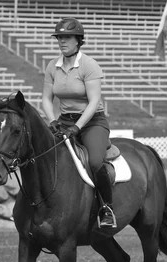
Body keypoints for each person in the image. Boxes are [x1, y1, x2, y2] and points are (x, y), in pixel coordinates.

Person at [41, 17, 116, 228]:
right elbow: (47, 99)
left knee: (94, 162)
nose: (62, 41)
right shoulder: (52, 66)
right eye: (59, 37)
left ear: (78, 40)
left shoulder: (89, 65)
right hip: (64, 122)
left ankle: (106, 208)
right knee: (42, 156)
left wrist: (77, 127)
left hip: (92, 122)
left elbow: (94, 102)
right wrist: (53, 121)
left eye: (67, 37)